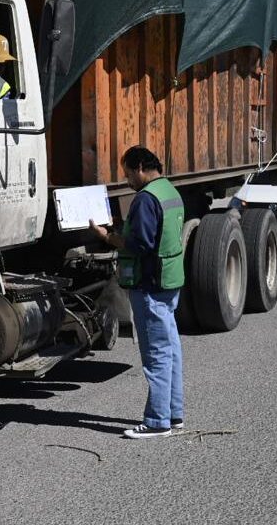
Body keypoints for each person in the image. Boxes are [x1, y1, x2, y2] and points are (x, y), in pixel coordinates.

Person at [91, 146, 186, 439]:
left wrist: (108, 237)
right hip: (169, 281)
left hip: (148, 283)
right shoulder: (169, 190)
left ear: (141, 167)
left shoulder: (145, 199)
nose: (128, 179)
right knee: (170, 349)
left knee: (156, 354)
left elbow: (141, 244)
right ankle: (174, 413)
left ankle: (158, 422)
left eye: (129, 173)